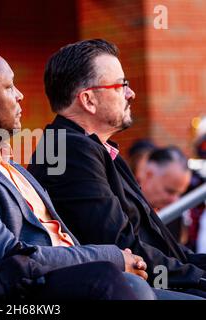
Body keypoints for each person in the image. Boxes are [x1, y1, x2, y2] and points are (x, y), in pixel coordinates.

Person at [0, 42, 199, 300]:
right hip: (47, 291)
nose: (20, 95)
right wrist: (113, 258)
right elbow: (8, 256)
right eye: (9, 87)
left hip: (96, 278)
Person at [27, 39, 206, 297]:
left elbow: (158, 245)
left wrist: (199, 268)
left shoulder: (94, 148)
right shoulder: (68, 152)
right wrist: (199, 278)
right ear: (88, 100)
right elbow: (124, 248)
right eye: (121, 85)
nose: (131, 94)